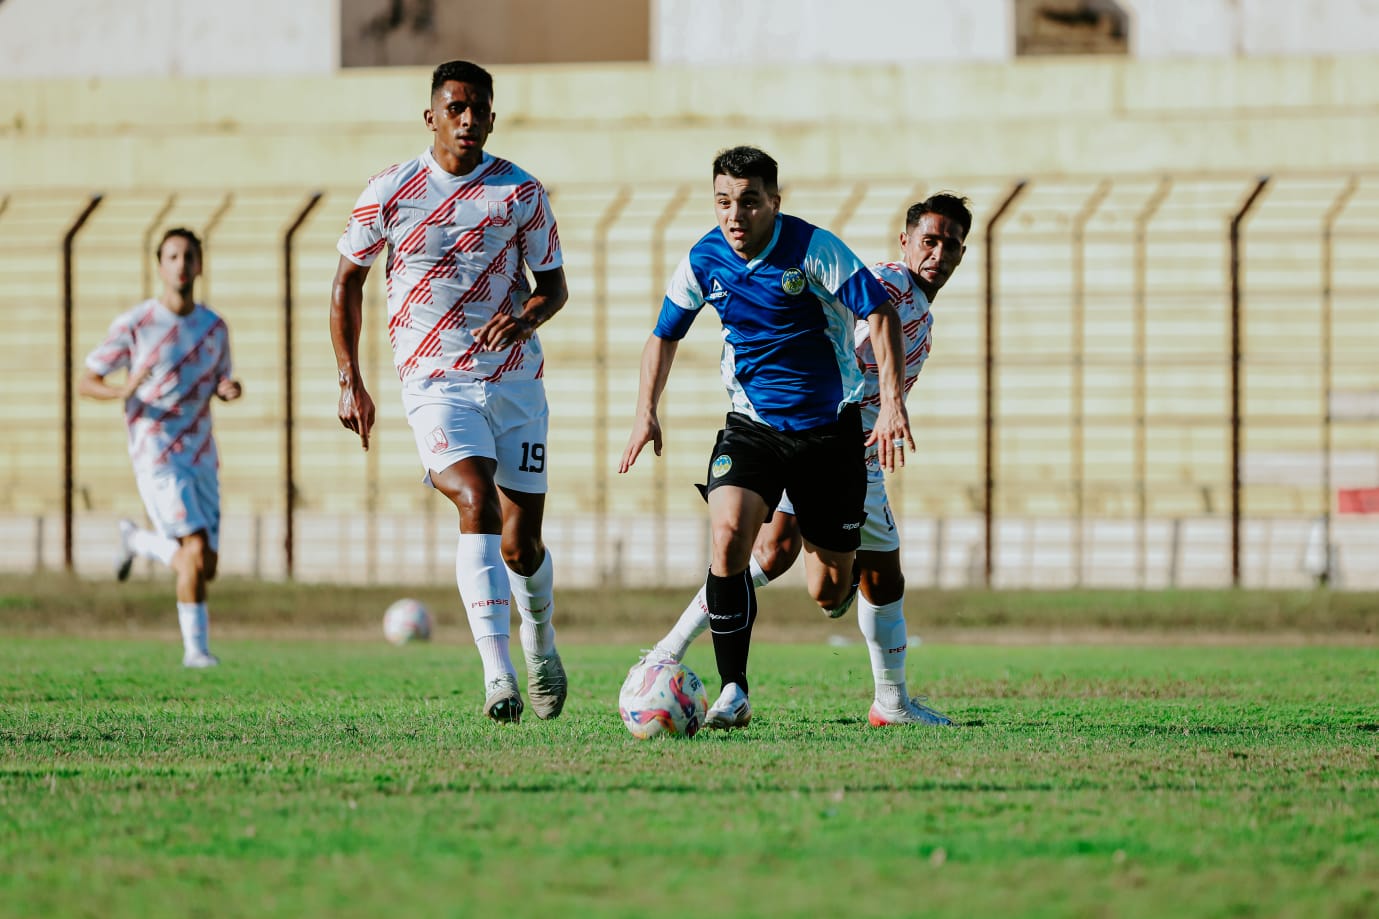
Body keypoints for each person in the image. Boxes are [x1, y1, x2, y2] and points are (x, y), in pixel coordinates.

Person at [644, 194, 973, 727]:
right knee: (881, 575)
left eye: (951, 245)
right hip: (836, 442)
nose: (938, 253)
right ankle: (892, 703)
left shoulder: (919, 308)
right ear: (906, 241)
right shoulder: (890, 287)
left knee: (782, 561)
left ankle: (669, 647)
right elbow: (852, 324)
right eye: (929, 241)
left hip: (828, 440)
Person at [330, 60, 570, 725]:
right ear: (431, 115)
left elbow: (553, 286)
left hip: (515, 382)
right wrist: (350, 378)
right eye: (455, 107)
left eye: (478, 110)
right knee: (474, 498)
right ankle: (498, 677)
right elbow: (346, 279)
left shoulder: (520, 193)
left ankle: (540, 641)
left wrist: (524, 316)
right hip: (434, 382)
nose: (467, 120)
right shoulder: (391, 189)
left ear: (492, 117)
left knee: (521, 545)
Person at [80, 227, 242, 669]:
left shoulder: (214, 328)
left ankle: (137, 540)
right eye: (173, 256)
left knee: (205, 564)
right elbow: (87, 380)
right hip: (155, 450)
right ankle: (196, 653)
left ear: (200, 265)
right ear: (160, 266)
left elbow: (222, 380)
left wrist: (229, 389)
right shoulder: (137, 324)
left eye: (189, 256)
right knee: (190, 552)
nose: (182, 264)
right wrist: (122, 390)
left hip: (201, 453)